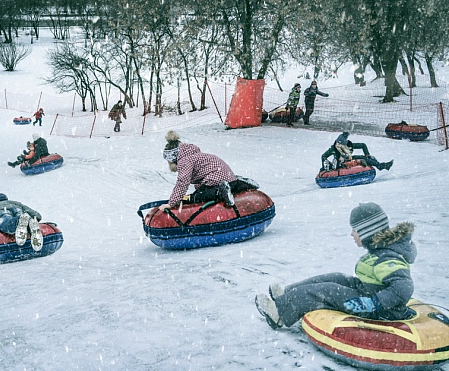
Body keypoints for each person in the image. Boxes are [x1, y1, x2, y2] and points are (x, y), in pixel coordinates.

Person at [255, 202, 416, 330]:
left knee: (326, 291)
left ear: (367, 231)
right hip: (367, 290)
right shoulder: (381, 249)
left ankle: (279, 315)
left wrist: (373, 303)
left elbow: (403, 287)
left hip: (380, 310)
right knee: (336, 278)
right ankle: (286, 295)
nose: (351, 234)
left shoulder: (387, 257)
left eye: (355, 230)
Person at [158, 130, 237, 211]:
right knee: (199, 193)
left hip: (217, 180)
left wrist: (171, 203)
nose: (167, 162)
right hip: (229, 178)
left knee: (197, 197)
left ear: (173, 158)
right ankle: (240, 184)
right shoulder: (192, 155)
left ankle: (220, 192)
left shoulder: (184, 161)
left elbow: (182, 183)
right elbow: (201, 177)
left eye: (168, 159)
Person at [321, 131, 394, 171]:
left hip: (349, 159)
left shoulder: (349, 146)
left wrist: (367, 154)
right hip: (341, 162)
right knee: (360, 160)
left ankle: (381, 166)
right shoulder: (333, 149)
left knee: (365, 158)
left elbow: (363, 145)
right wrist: (325, 163)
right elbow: (323, 156)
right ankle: (334, 166)